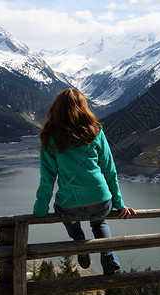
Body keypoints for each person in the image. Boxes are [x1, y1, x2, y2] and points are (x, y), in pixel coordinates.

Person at [33, 88, 136, 275]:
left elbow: (47, 178)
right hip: (101, 201)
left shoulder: (50, 137)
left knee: (62, 212)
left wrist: (40, 210)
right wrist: (120, 204)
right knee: (99, 223)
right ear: (83, 108)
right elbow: (109, 170)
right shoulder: (95, 131)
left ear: (56, 109)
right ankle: (110, 259)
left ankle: (80, 243)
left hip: (69, 205)